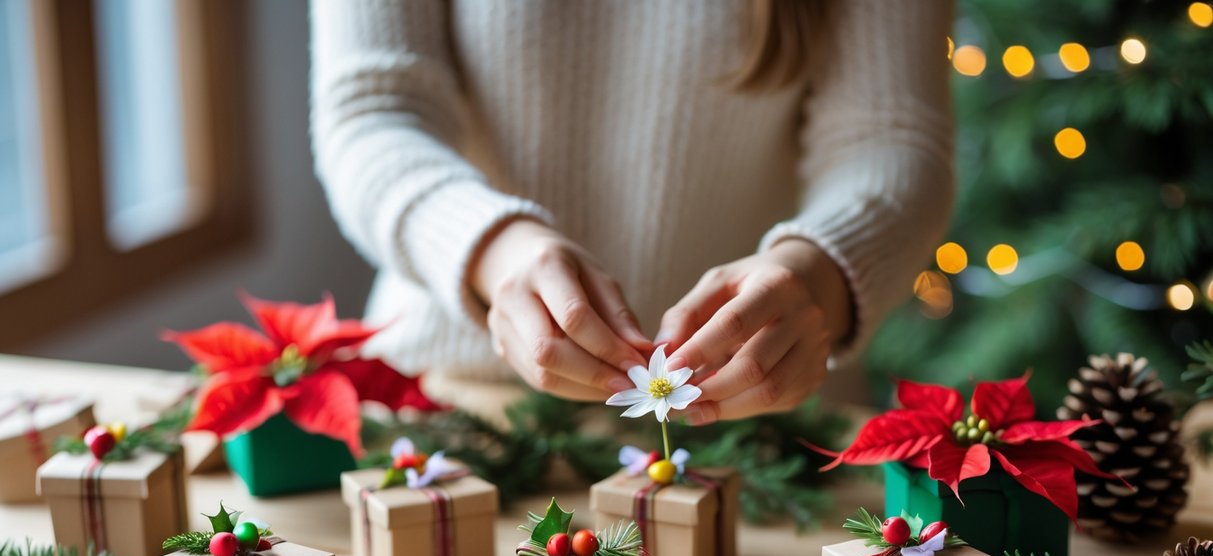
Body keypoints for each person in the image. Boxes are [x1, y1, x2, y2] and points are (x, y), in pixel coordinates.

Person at [310, 0, 953, 424]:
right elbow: (371, 112)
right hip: (445, 403)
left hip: (765, 423)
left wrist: (817, 276)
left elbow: (891, 136)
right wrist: (493, 248)